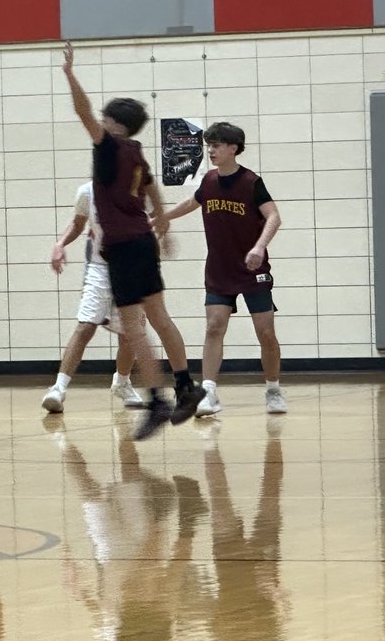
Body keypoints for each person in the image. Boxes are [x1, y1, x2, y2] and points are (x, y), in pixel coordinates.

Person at [61, 42, 205, 439]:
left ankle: (157, 401)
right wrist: (162, 223)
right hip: (142, 241)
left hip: (123, 247)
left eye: (104, 117)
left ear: (112, 122)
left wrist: (71, 75)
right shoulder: (136, 152)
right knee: (158, 317)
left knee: (134, 328)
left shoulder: (108, 146)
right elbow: (154, 189)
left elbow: (81, 110)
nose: (99, 121)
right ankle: (186, 386)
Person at [163, 122, 286, 416]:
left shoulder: (251, 182)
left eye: (217, 145)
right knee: (214, 327)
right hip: (219, 270)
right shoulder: (208, 181)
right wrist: (163, 217)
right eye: (209, 146)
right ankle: (209, 393)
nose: (211, 151)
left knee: (265, 333)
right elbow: (192, 202)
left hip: (252, 270)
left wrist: (259, 246)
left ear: (233, 148)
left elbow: (274, 216)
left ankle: (273, 389)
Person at [41, 180, 144, 412]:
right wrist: (60, 244)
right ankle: (58, 388)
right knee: (85, 326)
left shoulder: (135, 188)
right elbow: (78, 223)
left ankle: (122, 382)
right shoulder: (87, 191)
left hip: (129, 270)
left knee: (130, 334)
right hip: (98, 268)